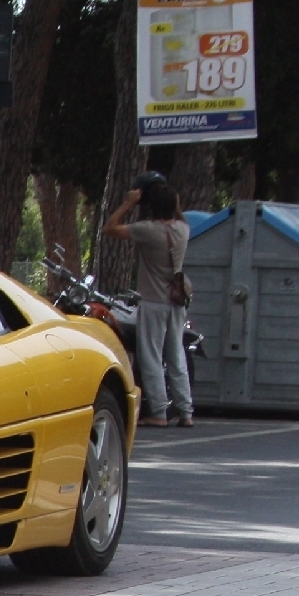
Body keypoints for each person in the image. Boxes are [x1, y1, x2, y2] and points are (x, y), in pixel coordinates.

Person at [101, 171, 194, 428]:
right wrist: (178, 208)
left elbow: (109, 228)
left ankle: (159, 412)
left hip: (154, 300)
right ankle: (186, 411)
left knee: (151, 355)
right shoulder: (183, 230)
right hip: (178, 299)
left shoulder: (146, 230)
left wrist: (128, 203)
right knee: (176, 354)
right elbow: (182, 220)